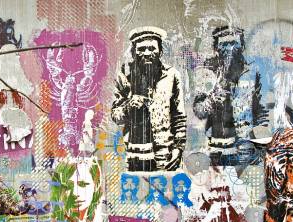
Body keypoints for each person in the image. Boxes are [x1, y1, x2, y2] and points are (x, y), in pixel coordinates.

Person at [111, 27, 186, 172]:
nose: (146, 53)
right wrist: (128, 106)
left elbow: (179, 117)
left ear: (160, 52)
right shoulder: (124, 76)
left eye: (151, 48)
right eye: (141, 49)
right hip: (134, 155)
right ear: (133, 52)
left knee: (166, 193)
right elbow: (116, 115)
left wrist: (178, 149)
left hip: (166, 155)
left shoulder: (171, 76)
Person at [193, 26, 268, 169]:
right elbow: (199, 111)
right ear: (216, 48)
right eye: (224, 44)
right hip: (215, 148)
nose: (230, 48)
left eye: (234, 43)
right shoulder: (207, 71)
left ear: (242, 45)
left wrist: (260, 144)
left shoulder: (252, 72)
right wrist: (211, 99)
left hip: (245, 146)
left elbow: (263, 112)